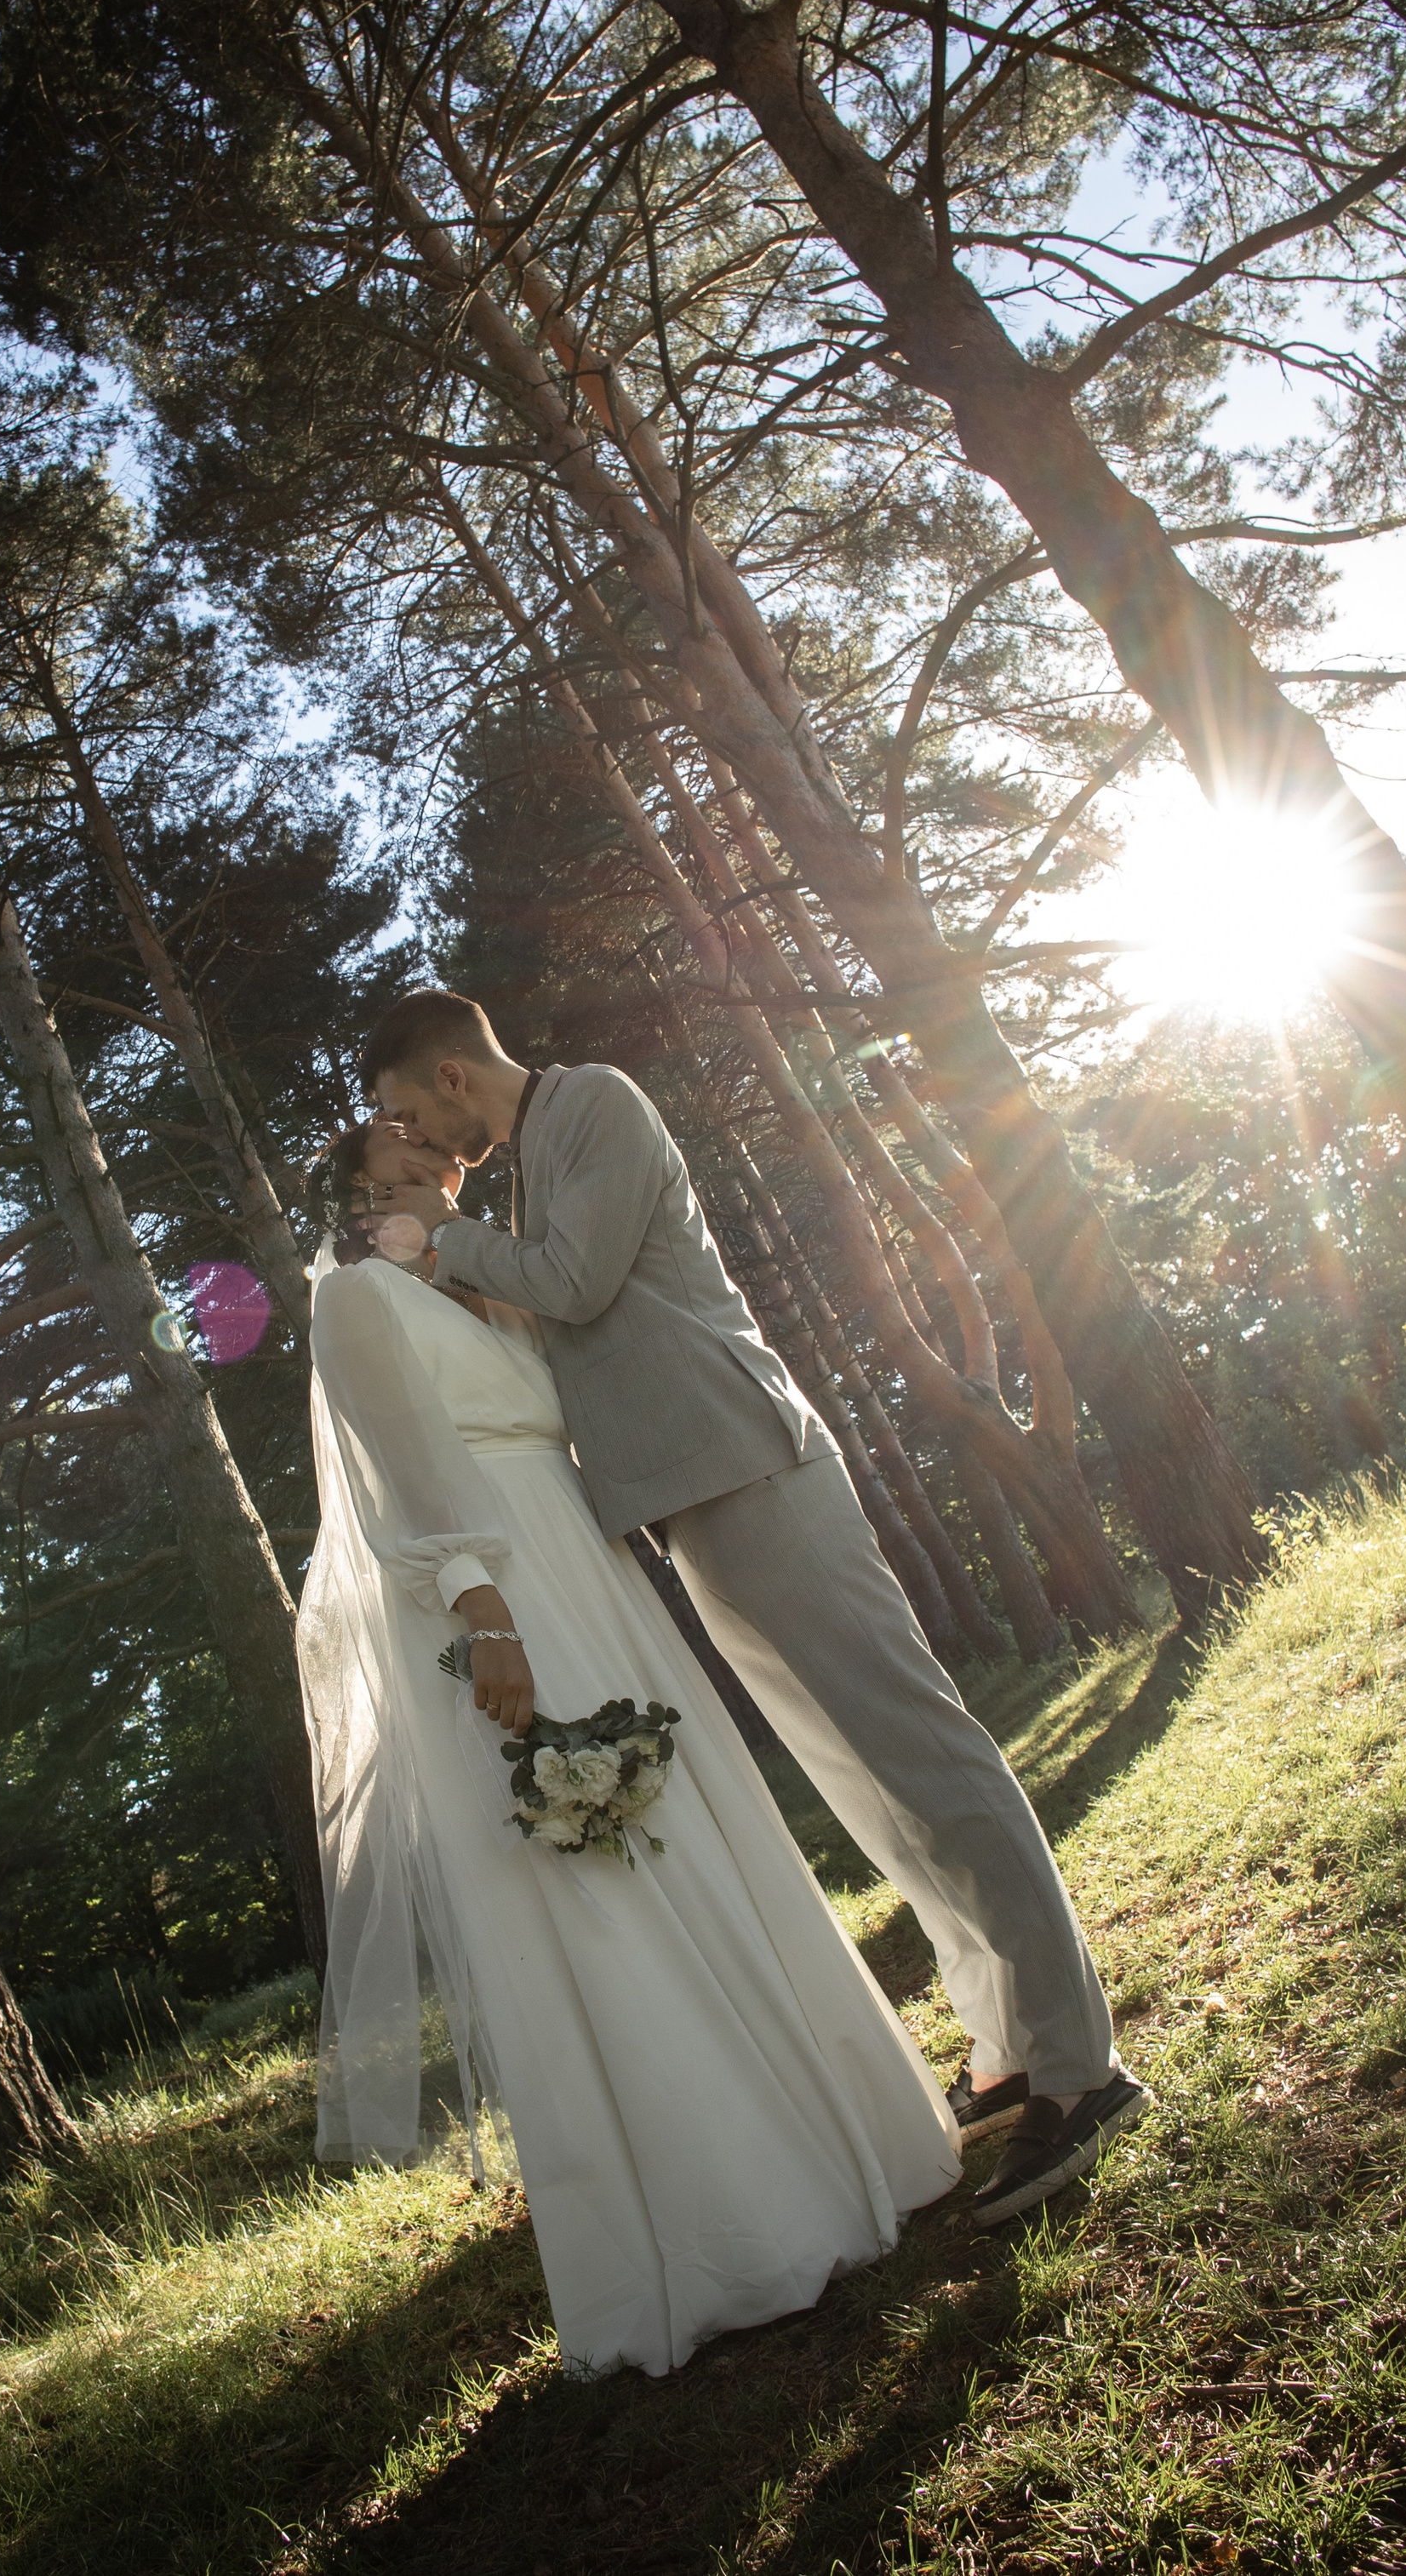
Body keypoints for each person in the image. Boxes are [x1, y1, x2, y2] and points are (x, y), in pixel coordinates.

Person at [358, 988, 1149, 2231]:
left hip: (750, 1464)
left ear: (453, 1076)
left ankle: (1081, 2069)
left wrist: (444, 1235)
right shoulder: (520, 1175)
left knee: (922, 1749)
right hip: (685, 1505)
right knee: (866, 1785)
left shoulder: (597, 1104)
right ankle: (1006, 2048)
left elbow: (572, 1281)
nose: (412, 1138)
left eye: (410, 1110)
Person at [298, 1113, 962, 2380]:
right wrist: (484, 1616)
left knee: (691, 1823)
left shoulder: (495, 1287)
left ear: (454, 1179)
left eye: (420, 1174)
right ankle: (722, 2212)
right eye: (376, 1185)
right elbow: (403, 1476)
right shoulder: (354, 1300)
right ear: (351, 1206)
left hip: (595, 1570)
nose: (403, 1198)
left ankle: (842, 2136)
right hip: (504, 1596)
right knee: (595, 1872)